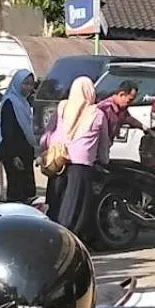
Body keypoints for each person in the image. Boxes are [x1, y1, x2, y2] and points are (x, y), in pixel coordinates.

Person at [42, 76, 109, 234]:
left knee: (55, 200)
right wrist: (104, 160)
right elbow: (103, 143)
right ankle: (69, 236)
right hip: (81, 163)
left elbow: (48, 132)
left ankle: (50, 233)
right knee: (75, 204)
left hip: (58, 160)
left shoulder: (62, 107)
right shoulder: (97, 114)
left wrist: (44, 150)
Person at [0, 69, 38, 203]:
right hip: (14, 154)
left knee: (27, 191)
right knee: (17, 191)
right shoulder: (10, 103)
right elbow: (7, 132)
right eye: (25, 84)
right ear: (17, 83)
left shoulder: (23, 103)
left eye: (31, 84)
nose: (28, 87)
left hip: (24, 153)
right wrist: (14, 156)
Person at [97, 79, 148, 144]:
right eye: (129, 100)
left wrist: (145, 128)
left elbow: (129, 119)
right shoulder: (104, 109)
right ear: (121, 94)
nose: (130, 103)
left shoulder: (121, 110)